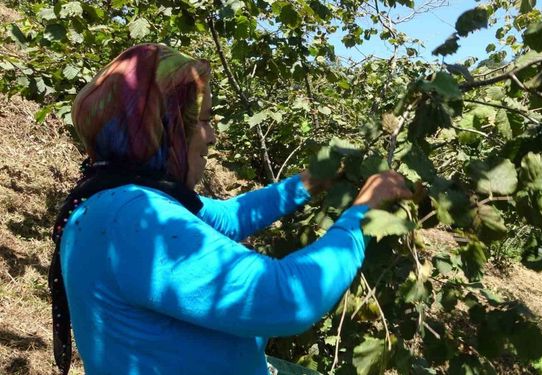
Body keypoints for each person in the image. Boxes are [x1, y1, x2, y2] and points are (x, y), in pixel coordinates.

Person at [48, 43, 412, 375]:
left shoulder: (113, 196)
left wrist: (309, 182)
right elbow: (286, 298)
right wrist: (363, 213)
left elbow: (227, 217)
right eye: (204, 121)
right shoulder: (135, 219)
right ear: (165, 127)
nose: (212, 136)